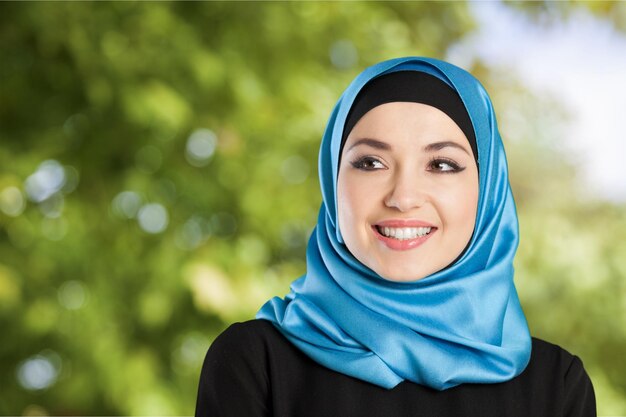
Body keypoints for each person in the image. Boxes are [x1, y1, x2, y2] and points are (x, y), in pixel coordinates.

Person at [195, 57, 596, 416]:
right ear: (332, 184)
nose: (403, 198)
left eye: (441, 164)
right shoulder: (254, 364)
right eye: (371, 162)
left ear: (486, 189)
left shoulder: (556, 387)